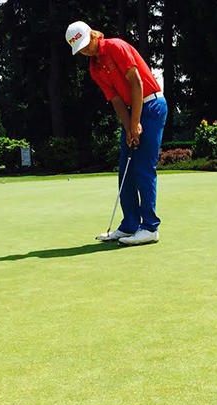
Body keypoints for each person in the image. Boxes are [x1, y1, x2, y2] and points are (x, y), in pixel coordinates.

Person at [65, 21, 167, 245]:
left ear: (93, 35)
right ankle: (130, 224)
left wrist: (136, 123)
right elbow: (117, 100)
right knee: (126, 170)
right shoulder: (94, 69)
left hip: (151, 105)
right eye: (80, 49)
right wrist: (128, 125)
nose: (85, 51)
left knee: (142, 168)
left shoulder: (115, 47)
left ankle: (150, 227)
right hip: (132, 112)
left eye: (85, 44)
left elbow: (137, 82)